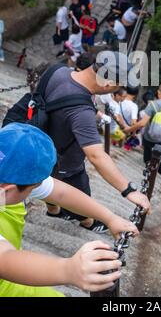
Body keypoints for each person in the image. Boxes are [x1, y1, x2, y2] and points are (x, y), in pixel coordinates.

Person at [0, 123, 138, 297]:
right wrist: (68, 270)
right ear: (10, 190)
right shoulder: (11, 183)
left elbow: (60, 193)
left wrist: (109, 218)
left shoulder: (7, 175)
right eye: (33, 188)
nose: (38, 188)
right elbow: (4, 259)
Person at [44, 52, 150, 233]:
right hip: (66, 159)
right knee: (80, 194)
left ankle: (54, 211)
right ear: (108, 83)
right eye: (117, 87)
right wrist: (129, 191)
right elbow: (96, 156)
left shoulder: (58, 71)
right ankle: (87, 222)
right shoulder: (82, 111)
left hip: (44, 145)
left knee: (51, 182)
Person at [120, 86, 140, 151]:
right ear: (135, 95)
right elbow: (133, 123)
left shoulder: (119, 100)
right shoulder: (134, 106)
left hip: (112, 129)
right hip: (124, 132)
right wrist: (133, 134)